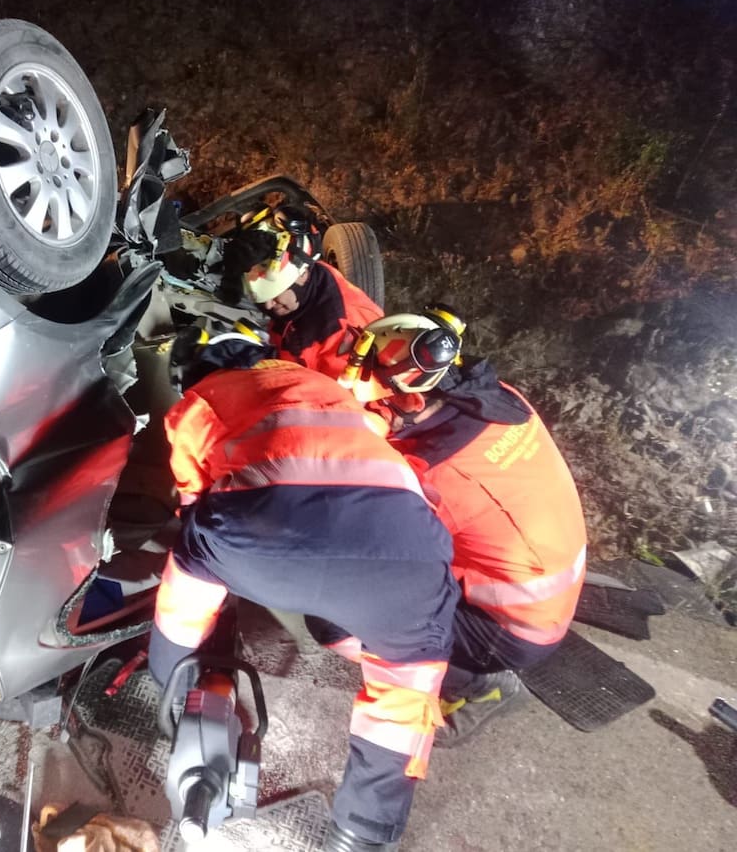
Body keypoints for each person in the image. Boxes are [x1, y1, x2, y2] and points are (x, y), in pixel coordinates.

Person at [150, 323, 459, 851]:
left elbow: (192, 496)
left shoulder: (199, 400)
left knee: (193, 567)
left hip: (267, 544)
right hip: (410, 555)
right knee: (404, 697)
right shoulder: (324, 386)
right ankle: (363, 833)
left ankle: (174, 687)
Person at [333, 307, 588, 746]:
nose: (374, 411)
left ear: (412, 399)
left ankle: (475, 686)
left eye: (377, 403)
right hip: (547, 594)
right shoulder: (497, 397)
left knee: (343, 608)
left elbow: (379, 548)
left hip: (512, 632)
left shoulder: (431, 474)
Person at [223, 206, 384, 378]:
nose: (268, 305)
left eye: (275, 296)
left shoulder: (339, 335)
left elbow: (330, 401)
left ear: (302, 275)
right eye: (262, 300)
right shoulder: (309, 282)